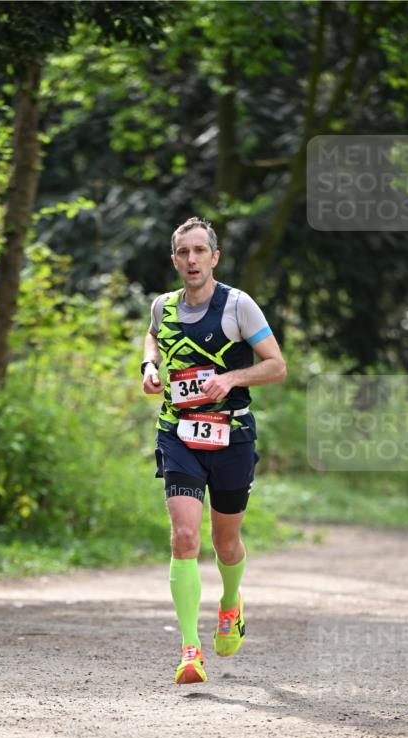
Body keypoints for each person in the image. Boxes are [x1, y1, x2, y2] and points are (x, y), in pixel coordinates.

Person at [141, 217, 287, 684]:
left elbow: (276, 366)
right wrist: (149, 365)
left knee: (225, 542)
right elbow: (153, 339)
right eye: (183, 253)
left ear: (214, 257)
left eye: (200, 251)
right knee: (185, 537)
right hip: (178, 432)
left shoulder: (238, 306)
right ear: (175, 260)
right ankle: (190, 649)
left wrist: (230, 379)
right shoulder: (162, 306)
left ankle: (231, 603)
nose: (192, 260)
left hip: (232, 436)